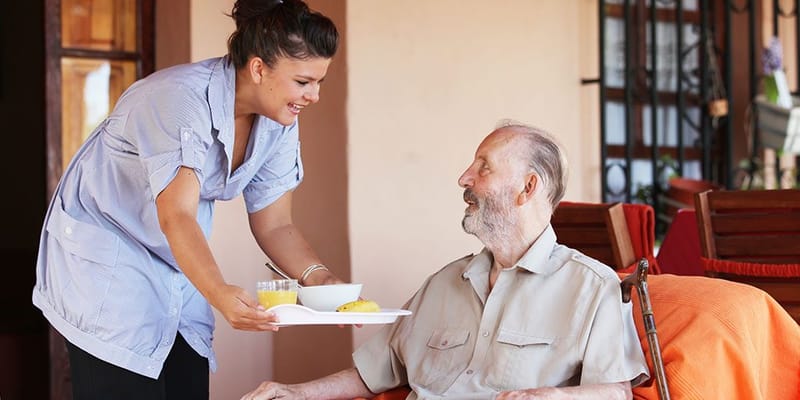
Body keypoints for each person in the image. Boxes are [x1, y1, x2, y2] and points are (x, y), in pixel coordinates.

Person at [32, 0, 344, 399]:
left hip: (176, 260)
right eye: (303, 82)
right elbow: (176, 216)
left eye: (320, 82)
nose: (313, 96)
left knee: (187, 381)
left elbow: (275, 223)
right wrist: (219, 293)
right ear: (259, 68)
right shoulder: (178, 100)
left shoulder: (279, 121)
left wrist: (321, 281)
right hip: (109, 262)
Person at [241, 122, 649, 400]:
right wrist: (296, 393)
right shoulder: (443, 283)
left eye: (483, 168)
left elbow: (615, 391)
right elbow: (377, 369)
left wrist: (546, 396)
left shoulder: (592, 288)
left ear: (528, 188)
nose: (464, 178)